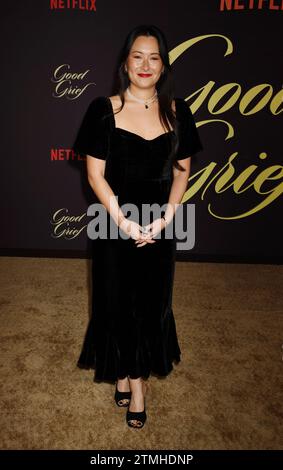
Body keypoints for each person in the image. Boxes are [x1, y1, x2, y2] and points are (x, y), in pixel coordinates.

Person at [73, 24, 203, 429]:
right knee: (116, 304)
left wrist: (166, 218)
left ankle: (137, 384)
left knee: (151, 305)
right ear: (125, 64)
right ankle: (129, 378)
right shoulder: (103, 109)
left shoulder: (179, 112)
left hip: (161, 227)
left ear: (163, 67)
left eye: (154, 57)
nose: (145, 65)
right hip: (113, 225)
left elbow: (182, 173)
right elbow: (95, 176)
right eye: (137, 56)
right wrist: (125, 223)